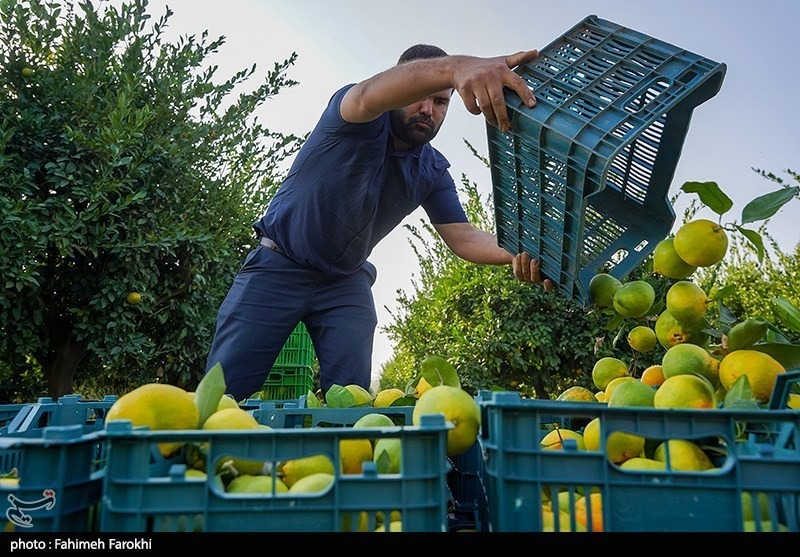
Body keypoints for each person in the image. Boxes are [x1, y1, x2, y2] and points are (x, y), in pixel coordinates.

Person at [205, 44, 555, 402]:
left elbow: (463, 237)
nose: (427, 109)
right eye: (420, 95)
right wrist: (456, 69)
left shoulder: (432, 170)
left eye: (440, 102)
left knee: (351, 400)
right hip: (279, 264)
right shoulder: (355, 115)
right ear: (401, 85)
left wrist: (522, 250)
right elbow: (371, 93)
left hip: (345, 280)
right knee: (222, 392)